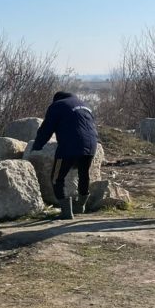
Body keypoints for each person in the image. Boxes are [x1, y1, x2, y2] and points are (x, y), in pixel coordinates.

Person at [31, 91, 99, 220]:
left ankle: (66, 212)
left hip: (69, 146)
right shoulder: (85, 105)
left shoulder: (57, 106)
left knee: (57, 178)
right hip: (91, 144)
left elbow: (47, 129)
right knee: (84, 174)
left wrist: (37, 146)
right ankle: (80, 206)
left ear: (56, 99)